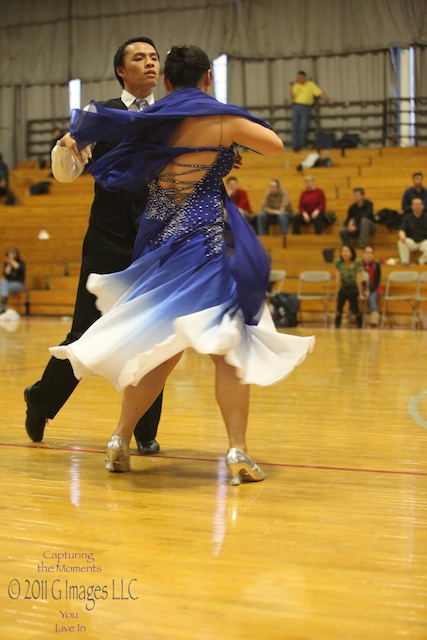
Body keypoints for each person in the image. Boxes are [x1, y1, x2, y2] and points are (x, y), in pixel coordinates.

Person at [49, 44, 315, 485]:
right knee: (229, 353)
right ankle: (237, 451)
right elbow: (274, 143)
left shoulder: (149, 124)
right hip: (207, 247)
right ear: (208, 78)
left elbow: (99, 150)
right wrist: (226, 136)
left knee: (159, 354)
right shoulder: (222, 120)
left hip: (158, 248)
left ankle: (118, 440)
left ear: (167, 82)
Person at [23, 36, 163, 455]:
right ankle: (41, 400)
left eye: (154, 57)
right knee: (84, 332)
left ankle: (143, 428)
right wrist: (65, 147)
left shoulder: (170, 114)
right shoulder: (99, 114)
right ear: (122, 70)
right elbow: (66, 173)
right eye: (139, 58)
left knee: (153, 337)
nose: (150, 63)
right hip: (106, 237)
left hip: (153, 240)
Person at [290, 71, 333, 151]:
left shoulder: (310, 85)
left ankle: (301, 145)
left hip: (306, 107)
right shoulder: (296, 85)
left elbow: (319, 93)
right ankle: (295, 145)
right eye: (298, 78)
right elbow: (292, 97)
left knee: (304, 126)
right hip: (296, 106)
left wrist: (328, 100)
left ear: (304, 77)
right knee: (295, 126)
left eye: (301, 78)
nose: (300, 79)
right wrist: (292, 88)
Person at [334, 244, 364, 329]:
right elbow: (338, 279)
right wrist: (336, 293)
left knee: (353, 297)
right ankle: (337, 319)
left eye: (346, 251)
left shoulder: (357, 262)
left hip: (353, 287)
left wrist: (361, 293)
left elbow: (358, 279)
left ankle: (359, 318)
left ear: (351, 253)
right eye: (342, 251)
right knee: (341, 296)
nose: (344, 254)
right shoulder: (339, 262)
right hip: (344, 287)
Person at [397, 197, 427, 265]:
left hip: (424, 242)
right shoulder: (407, 218)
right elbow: (402, 230)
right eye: (415, 204)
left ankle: (420, 261)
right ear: (412, 207)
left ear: (423, 206)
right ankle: (405, 262)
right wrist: (402, 237)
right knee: (401, 242)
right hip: (411, 241)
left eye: (419, 204)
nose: (417, 206)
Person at [361, 246, 382, 327]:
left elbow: (377, 281)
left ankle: (374, 320)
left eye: (371, 253)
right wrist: (362, 291)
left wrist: (369, 290)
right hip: (361, 288)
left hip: (374, 288)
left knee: (372, 298)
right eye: (367, 253)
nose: (369, 255)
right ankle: (350, 317)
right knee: (353, 295)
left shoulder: (376, 265)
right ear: (363, 254)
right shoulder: (358, 265)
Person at [1, 246, 25, 313]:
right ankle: (4, 298)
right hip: (8, 284)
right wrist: (9, 264)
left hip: (18, 284)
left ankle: (3, 306)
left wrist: (11, 261)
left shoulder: (21, 262)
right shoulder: (7, 264)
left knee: (3, 288)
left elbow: (18, 268)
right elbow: (6, 274)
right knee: (3, 282)